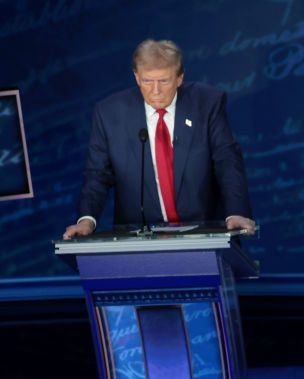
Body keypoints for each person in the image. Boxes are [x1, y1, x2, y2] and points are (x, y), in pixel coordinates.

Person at [63, 39, 255, 239]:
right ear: (137, 77)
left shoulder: (207, 104)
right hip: (137, 236)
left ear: (179, 78)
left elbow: (227, 162)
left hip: (203, 231)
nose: (155, 91)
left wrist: (237, 212)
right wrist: (86, 219)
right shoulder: (109, 113)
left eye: (164, 81)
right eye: (147, 81)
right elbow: (97, 175)